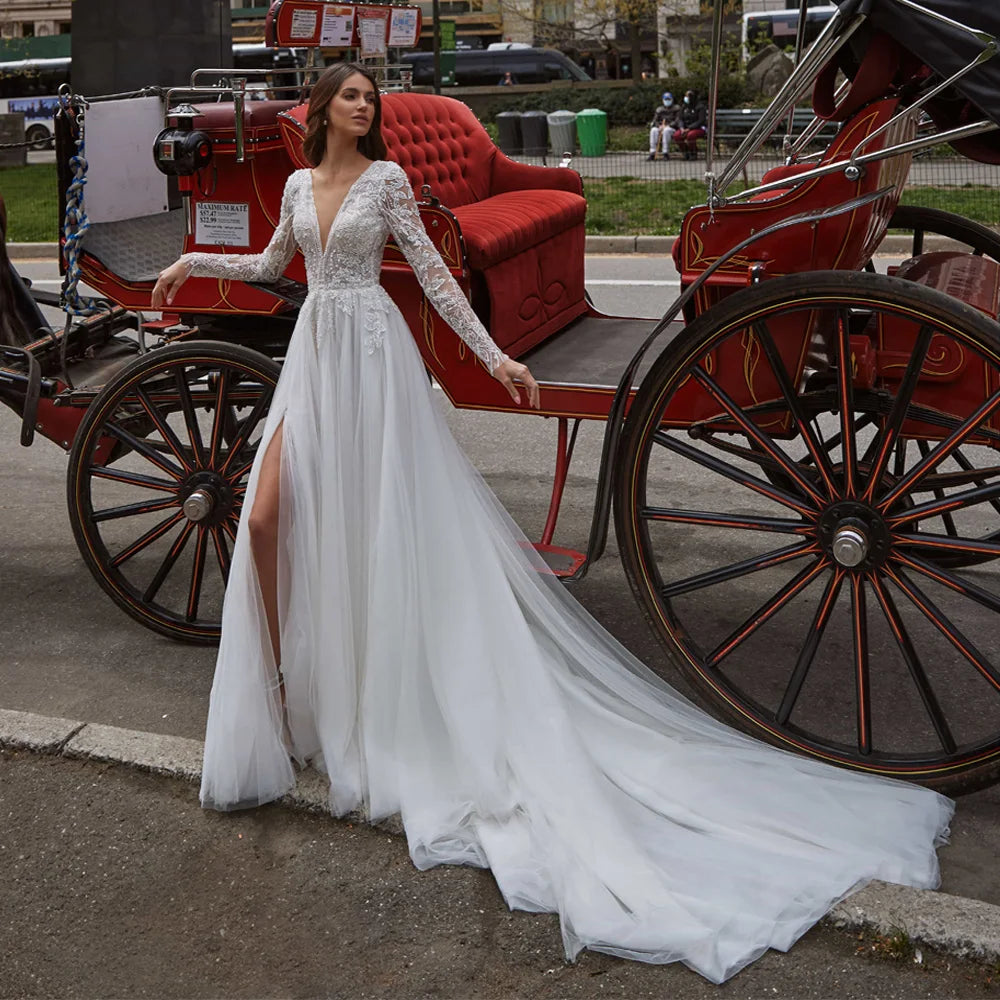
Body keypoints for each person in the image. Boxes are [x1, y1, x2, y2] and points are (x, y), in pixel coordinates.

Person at [151, 62, 952, 985]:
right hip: (315, 359)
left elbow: (437, 281)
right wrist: (190, 263)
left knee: (374, 528)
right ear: (323, 110)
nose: (366, 106)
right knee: (264, 521)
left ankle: (350, 696)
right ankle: (291, 688)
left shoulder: (388, 183)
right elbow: (265, 269)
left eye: (374, 96)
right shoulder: (297, 184)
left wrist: (494, 359)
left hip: (373, 357)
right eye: (353, 96)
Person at [673, 88, 708, 160]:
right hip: (685, 128)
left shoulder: (700, 107)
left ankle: (693, 153)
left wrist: (689, 128)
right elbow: (680, 118)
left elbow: (701, 120)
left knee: (690, 135)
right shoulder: (684, 106)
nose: (686, 98)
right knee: (677, 135)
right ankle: (686, 152)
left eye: (688, 96)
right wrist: (682, 127)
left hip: (698, 128)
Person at [648, 90, 678, 161]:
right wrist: (659, 126)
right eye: (666, 99)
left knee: (666, 131)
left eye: (669, 99)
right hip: (661, 127)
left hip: (671, 128)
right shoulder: (659, 109)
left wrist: (669, 125)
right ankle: (652, 152)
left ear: (672, 100)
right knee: (653, 130)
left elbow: (677, 120)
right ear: (663, 100)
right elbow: (655, 120)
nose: (667, 101)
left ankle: (665, 153)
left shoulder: (676, 108)